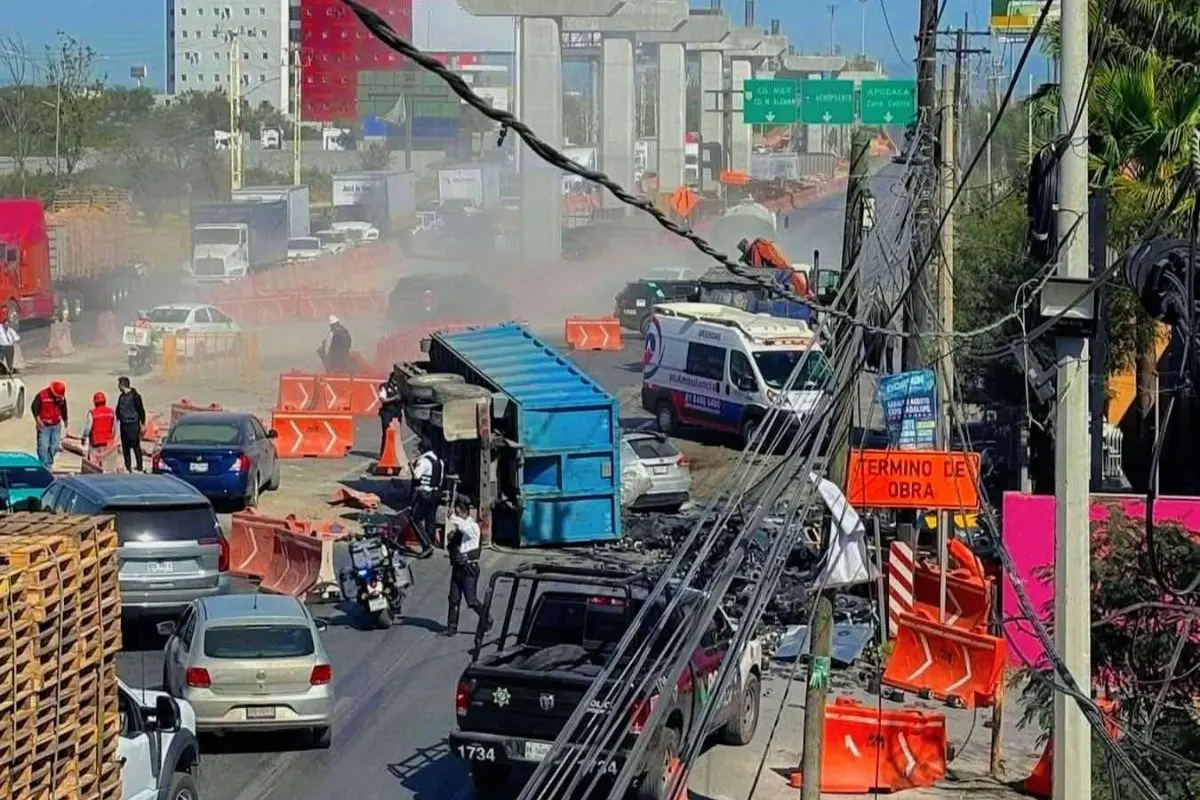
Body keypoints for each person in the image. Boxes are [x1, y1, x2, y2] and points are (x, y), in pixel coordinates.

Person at [442, 495, 491, 637]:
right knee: (454, 598)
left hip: (469, 568)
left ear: (464, 511)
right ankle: (452, 627)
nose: (457, 512)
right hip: (458, 567)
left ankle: (487, 619)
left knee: (471, 600)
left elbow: (464, 528)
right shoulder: (460, 528)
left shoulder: (472, 526)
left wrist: (453, 518)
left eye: (459, 510)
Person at [408, 444, 442, 559]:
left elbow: (416, 477)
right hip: (436, 494)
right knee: (430, 520)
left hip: (425, 494)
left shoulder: (423, 461)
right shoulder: (439, 461)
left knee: (415, 518)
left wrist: (411, 466)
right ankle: (431, 542)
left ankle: (426, 545)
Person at [31, 381, 68, 468]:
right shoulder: (42, 395)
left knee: (54, 446)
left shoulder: (61, 397)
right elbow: (34, 407)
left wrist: (65, 419)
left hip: (56, 425)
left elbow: (64, 408)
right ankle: (44, 466)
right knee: (43, 446)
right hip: (44, 425)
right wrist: (38, 419)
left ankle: (49, 461)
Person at [115, 377, 147, 472]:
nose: (118, 387)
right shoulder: (121, 397)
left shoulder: (135, 396)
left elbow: (141, 410)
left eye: (119, 384)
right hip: (123, 425)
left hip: (133, 425)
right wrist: (116, 420)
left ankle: (139, 466)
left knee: (136, 447)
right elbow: (118, 410)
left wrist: (143, 424)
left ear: (122, 385)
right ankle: (128, 467)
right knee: (125, 448)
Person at [377, 366, 404, 458]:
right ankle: (383, 454)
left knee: (396, 434)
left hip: (397, 413)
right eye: (394, 379)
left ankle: (395, 453)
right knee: (386, 433)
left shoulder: (401, 388)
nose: (396, 381)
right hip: (387, 413)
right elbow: (382, 400)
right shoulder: (384, 386)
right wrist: (394, 398)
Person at [81, 392, 117, 458]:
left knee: (94, 460)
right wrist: (112, 439)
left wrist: (83, 438)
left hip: (95, 442)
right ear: (105, 401)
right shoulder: (111, 412)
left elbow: (88, 428)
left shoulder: (92, 413)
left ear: (95, 402)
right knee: (106, 460)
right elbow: (114, 427)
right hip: (108, 442)